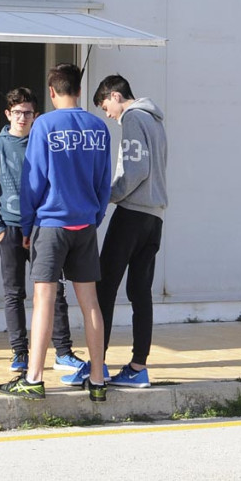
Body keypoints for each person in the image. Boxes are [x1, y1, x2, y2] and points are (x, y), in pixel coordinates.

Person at [0, 63, 110, 402]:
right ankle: (97, 379)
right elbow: (103, 182)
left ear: (51, 92)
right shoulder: (99, 127)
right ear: (78, 89)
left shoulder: (44, 125)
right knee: (90, 301)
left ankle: (33, 378)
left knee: (44, 299)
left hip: (51, 222)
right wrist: (95, 216)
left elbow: (34, 180)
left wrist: (28, 225)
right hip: (85, 224)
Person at [0, 87, 85, 374]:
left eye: (28, 113)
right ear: (7, 114)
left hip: (44, 228)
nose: (22, 118)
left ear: (36, 115)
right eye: (17, 113)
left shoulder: (45, 144)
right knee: (14, 293)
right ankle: (19, 352)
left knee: (54, 292)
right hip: (11, 229)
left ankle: (63, 350)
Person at [76, 74, 167, 389]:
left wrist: (106, 195)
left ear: (115, 96)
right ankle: (138, 367)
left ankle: (96, 366)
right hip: (155, 217)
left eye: (105, 106)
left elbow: (135, 170)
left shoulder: (132, 117)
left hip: (131, 214)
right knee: (140, 292)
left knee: (104, 290)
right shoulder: (155, 120)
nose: (107, 114)